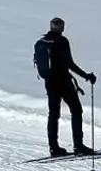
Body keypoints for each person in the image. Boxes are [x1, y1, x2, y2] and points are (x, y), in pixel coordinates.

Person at [35, 17, 96, 157]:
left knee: (53, 114)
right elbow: (69, 63)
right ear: (62, 28)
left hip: (49, 82)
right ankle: (78, 146)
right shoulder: (62, 42)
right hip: (63, 81)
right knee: (76, 110)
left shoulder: (42, 42)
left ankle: (53, 148)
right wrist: (85, 76)